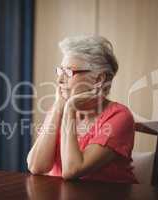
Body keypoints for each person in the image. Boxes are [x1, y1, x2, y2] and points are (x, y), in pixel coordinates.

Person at [27, 35, 138, 184]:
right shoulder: (60, 108)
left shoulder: (120, 116)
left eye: (68, 72)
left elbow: (72, 170)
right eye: (60, 71)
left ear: (99, 79)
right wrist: (59, 107)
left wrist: (70, 108)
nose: (59, 80)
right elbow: (36, 166)